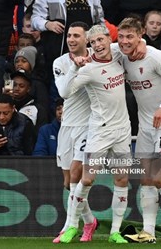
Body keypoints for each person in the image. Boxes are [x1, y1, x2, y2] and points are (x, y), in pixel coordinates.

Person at [60, 24, 140, 244]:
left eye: (100, 40)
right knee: (87, 179)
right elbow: (64, 92)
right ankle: (72, 226)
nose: (97, 45)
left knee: (122, 178)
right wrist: (74, 69)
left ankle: (115, 231)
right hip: (99, 131)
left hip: (123, 129)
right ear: (89, 44)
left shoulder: (117, 52)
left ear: (108, 39)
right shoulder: (87, 68)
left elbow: (137, 43)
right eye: (92, 42)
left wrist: (140, 42)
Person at [117, 17, 161, 243]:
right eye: (121, 36)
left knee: (158, 177)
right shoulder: (120, 53)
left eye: (130, 37)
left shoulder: (156, 56)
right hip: (145, 125)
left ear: (141, 36)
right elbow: (99, 47)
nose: (125, 41)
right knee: (145, 179)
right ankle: (148, 232)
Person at [51, 21, 97, 244]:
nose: (71, 39)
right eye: (69, 35)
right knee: (69, 183)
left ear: (86, 39)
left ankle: (70, 225)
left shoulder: (98, 58)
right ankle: (89, 221)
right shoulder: (59, 62)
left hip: (89, 126)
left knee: (78, 175)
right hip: (67, 125)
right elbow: (63, 92)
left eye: (77, 36)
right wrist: (75, 66)